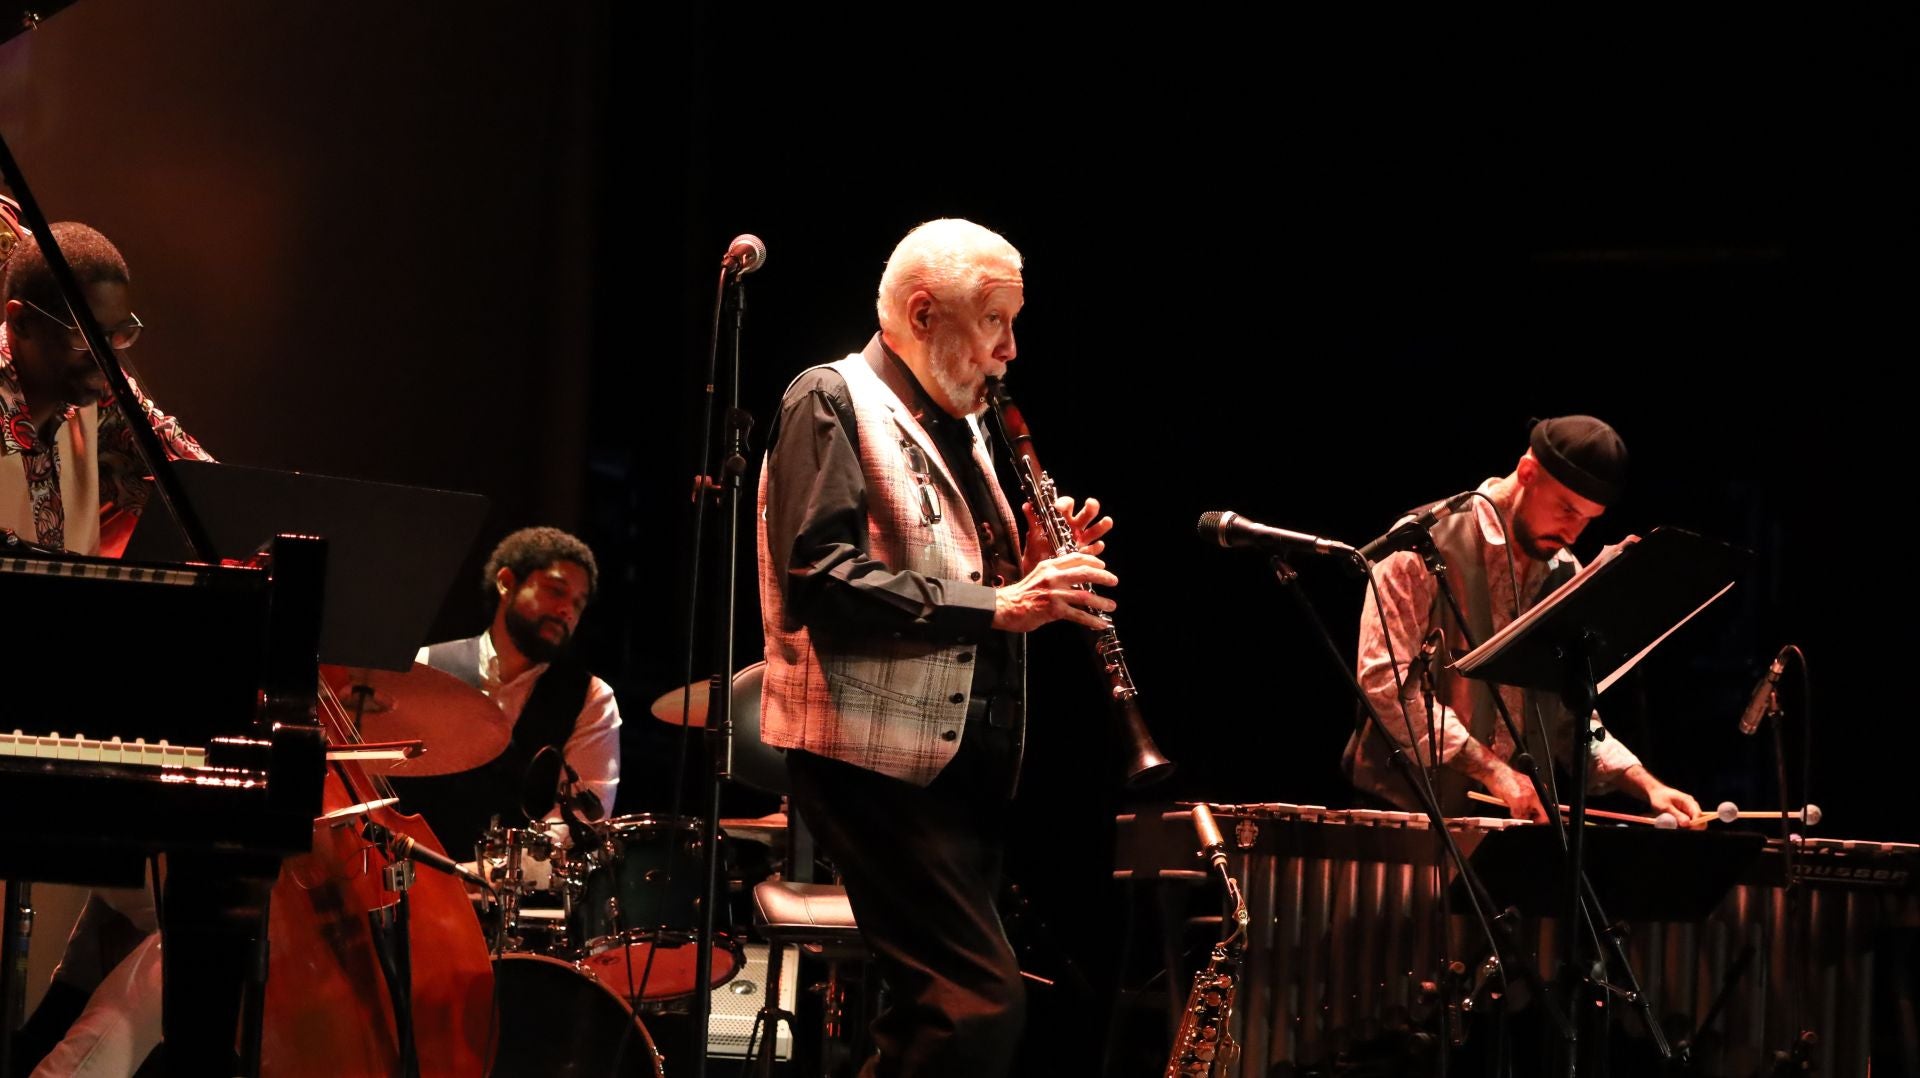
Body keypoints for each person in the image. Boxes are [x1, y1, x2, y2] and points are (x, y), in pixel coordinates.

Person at [757, 218, 1116, 1076]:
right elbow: (820, 581)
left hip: (953, 765)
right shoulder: (829, 399)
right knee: (975, 1007)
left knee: (929, 1014)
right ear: (924, 314)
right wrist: (1001, 602)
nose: (1010, 350)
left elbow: (946, 562)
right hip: (870, 763)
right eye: (996, 322)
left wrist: (1026, 564)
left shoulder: (965, 420)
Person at [1, 222, 212, 1078]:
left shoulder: (100, 421)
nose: (109, 358)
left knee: (205, 906)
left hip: (53, 742)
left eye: (121, 334)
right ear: (17, 323)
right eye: (89, 337)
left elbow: (207, 502)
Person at [1342, 415, 1703, 825]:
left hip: (1509, 825)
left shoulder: (1566, 572)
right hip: (1402, 818)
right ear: (1528, 472)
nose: (1573, 533)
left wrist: (1642, 783)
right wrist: (1493, 771)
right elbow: (1383, 684)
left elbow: (1572, 719)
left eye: (1588, 519)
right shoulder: (1421, 545)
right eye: (1567, 509)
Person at [395, 524, 622, 860]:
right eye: (556, 591)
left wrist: (500, 871)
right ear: (506, 582)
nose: (568, 610)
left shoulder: (591, 697)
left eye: (578, 602)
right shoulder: (424, 667)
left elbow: (584, 818)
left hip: (523, 899)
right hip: (414, 884)